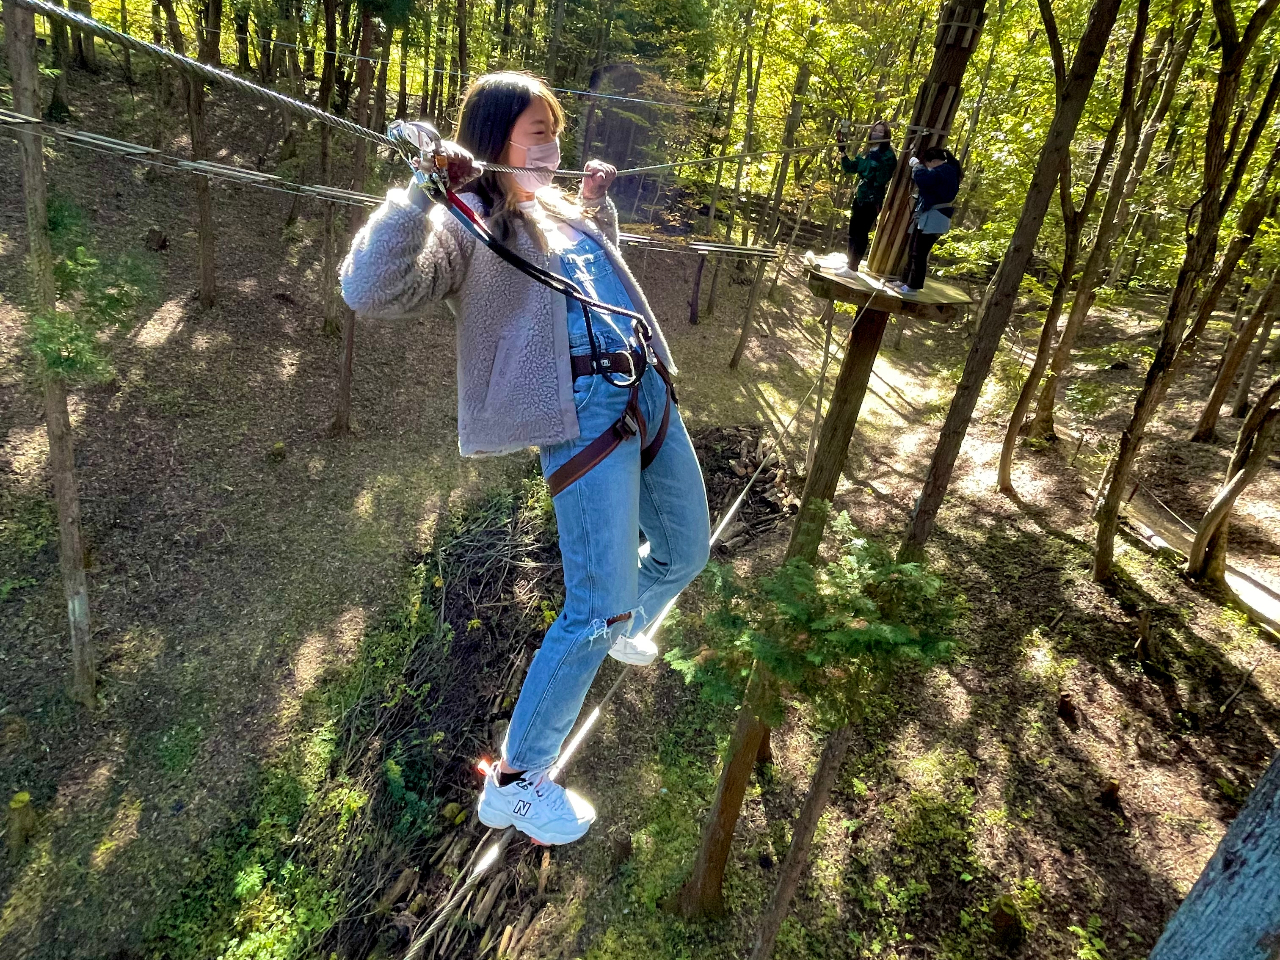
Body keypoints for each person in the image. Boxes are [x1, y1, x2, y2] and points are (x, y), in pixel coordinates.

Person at [340, 72, 710, 845]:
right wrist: (417, 192)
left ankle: (630, 620)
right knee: (591, 613)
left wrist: (599, 207)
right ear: (494, 139)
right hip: (584, 418)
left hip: (647, 389)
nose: (555, 147)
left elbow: (592, 279)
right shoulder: (469, 219)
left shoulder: (564, 208)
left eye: (556, 134)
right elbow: (368, 289)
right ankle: (514, 782)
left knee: (685, 551)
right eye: (538, 133)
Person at [892, 146, 962, 294]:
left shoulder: (946, 171)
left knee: (919, 253)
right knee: (912, 250)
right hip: (927, 214)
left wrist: (917, 166)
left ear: (934, 161)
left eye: (927, 164)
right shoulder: (944, 171)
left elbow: (924, 179)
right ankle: (905, 280)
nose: (927, 167)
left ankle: (913, 286)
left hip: (936, 216)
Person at [838, 119, 897, 270]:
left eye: (880, 132)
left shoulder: (888, 155)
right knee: (853, 231)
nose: (877, 134)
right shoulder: (866, 151)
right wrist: (843, 152)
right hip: (860, 195)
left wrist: (875, 164)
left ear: (886, 135)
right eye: (875, 131)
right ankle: (849, 263)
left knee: (861, 233)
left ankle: (853, 266)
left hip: (873, 198)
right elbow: (851, 168)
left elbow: (882, 178)